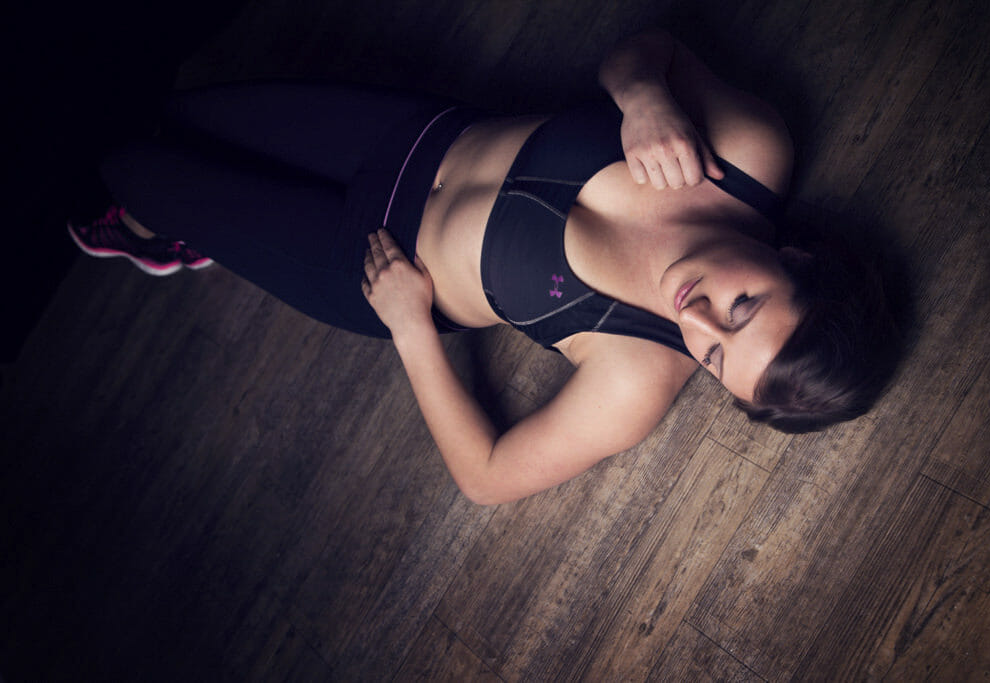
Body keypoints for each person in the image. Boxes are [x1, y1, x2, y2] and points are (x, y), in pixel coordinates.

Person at [68, 30, 895, 504]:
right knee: (174, 111)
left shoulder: (637, 380)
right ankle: (184, 214)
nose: (695, 316)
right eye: (743, 306)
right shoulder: (747, 153)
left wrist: (409, 326)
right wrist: (643, 95)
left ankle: (159, 233)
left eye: (713, 355)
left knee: (125, 170)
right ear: (797, 257)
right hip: (405, 135)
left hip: (366, 264)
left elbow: (488, 477)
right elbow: (650, 51)